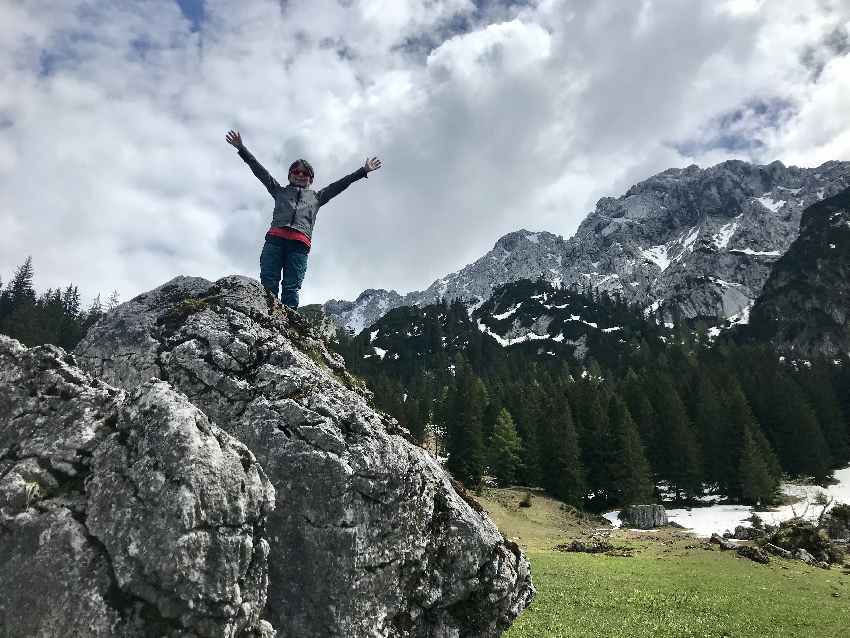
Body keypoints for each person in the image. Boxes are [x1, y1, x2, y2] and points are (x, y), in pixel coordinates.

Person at [226, 129, 381, 309]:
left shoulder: (317, 197)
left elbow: (341, 184)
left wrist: (363, 170)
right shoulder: (279, 190)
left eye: (305, 173)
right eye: (296, 172)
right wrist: (241, 148)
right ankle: (266, 317)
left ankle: (288, 327)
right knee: (268, 282)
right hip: (275, 240)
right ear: (290, 175)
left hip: (299, 246)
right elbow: (259, 170)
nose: (300, 175)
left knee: (291, 288)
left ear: (310, 179)